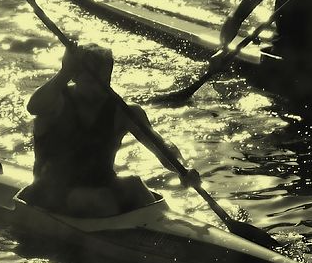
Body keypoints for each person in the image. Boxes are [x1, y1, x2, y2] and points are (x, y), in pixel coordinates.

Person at [23, 43, 199, 217]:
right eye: (92, 81)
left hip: (101, 185)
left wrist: (182, 168)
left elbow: (160, 145)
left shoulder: (123, 112)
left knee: (135, 185)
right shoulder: (54, 103)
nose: (100, 89)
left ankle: (160, 233)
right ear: (74, 76)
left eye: (105, 81)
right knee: (102, 201)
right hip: (51, 192)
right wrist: (65, 72)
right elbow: (33, 107)